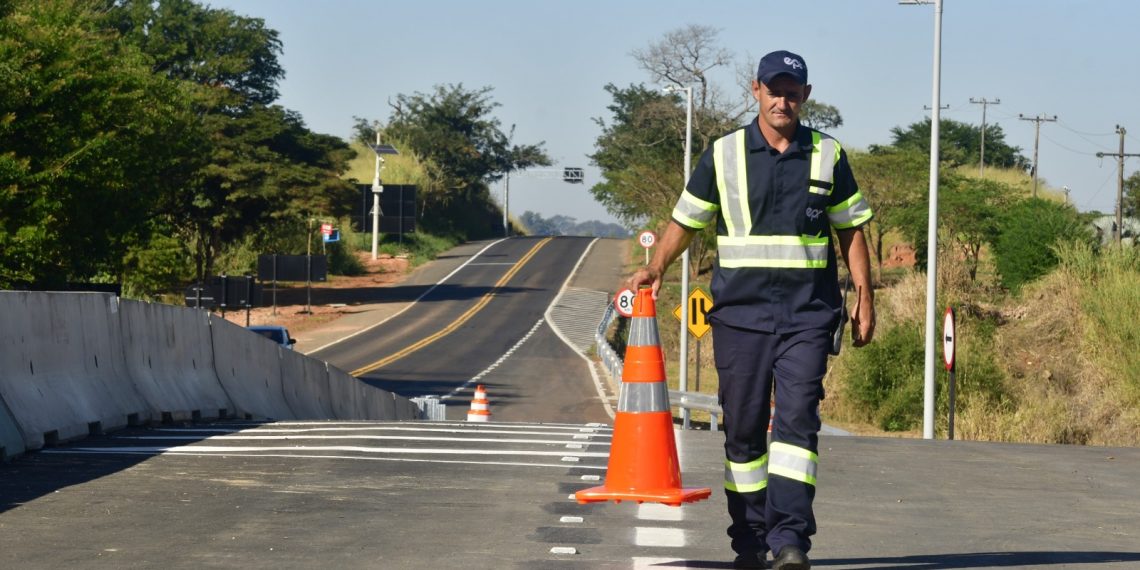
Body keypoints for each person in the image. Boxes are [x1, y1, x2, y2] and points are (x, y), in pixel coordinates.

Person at [624, 50, 875, 570]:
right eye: (774, 90)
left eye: (792, 92)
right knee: (742, 429)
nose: (782, 101)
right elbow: (686, 220)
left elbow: (850, 229)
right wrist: (657, 266)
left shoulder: (827, 154)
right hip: (740, 316)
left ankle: (790, 541)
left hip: (808, 316)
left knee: (798, 423)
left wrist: (864, 296)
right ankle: (750, 540)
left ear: (805, 96)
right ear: (756, 90)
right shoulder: (723, 154)